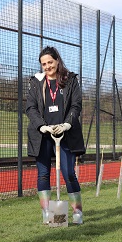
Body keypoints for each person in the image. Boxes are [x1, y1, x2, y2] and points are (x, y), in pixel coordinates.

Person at [26, 46, 85, 225]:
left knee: (69, 174)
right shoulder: (36, 82)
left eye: (50, 62)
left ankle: (77, 213)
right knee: (43, 174)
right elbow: (30, 107)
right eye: (43, 64)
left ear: (57, 61)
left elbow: (76, 104)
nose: (47, 66)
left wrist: (67, 123)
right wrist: (41, 126)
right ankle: (47, 213)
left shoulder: (71, 80)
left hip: (65, 134)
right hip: (43, 135)